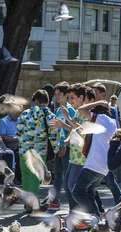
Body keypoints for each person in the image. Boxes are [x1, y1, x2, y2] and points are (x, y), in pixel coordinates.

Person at [72, 97, 117, 218]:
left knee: (77, 193)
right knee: (90, 194)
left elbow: (81, 109)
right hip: (104, 166)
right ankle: (96, 224)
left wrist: (98, 102)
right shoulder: (113, 122)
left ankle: (93, 217)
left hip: (93, 164)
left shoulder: (99, 118)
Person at [17, 90, 54, 198]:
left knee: (26, 175)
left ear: (36, 101)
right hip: (40, 150)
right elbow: (54, 134)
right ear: (47, 102)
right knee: (35, 177)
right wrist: (55, 149)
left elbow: (18, 131)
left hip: (24, 149)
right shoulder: (50, 116)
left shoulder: (25, 113)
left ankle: (27, 204)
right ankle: (33, 205)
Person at [90, 82, 121, 203]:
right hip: (95, 149)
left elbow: (115, 127)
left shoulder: (110, 109)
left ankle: (120, 203)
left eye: (95, 92)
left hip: (106, 149)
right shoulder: (92, 108)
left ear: (103, 94)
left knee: (110, 181)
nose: (93, 95)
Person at [47, 81, 75, 211]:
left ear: (65, 95)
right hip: (58, 147)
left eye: (59, 94)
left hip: (67, 147)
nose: (56, 97)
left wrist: (65, 145)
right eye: (55, 95)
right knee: (57, 175)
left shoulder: (70, 110)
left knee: (69, 179)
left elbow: (74, 129)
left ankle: (73, 206)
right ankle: (54, 201)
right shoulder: (58, 110)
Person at [0, 109, 21, 184]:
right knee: (19, 150)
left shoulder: (20, 120)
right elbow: (3, 137)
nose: (18, 116)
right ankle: (15, 178)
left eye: (19, 114)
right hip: (8, 144)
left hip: (20, 143)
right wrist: (16, 138)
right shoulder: (3, 121)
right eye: (16, 113)